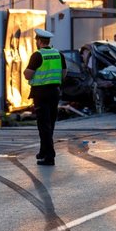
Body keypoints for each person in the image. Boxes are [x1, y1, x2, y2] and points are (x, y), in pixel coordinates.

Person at [24, 28, 66, 166]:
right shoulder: (58, 54)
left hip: (41, 93)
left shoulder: (37, 55)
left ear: (39, 41)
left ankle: (49, 156)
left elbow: (28, 74)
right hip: (54, 92)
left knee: (43, 125)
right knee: (50, 124)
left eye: (36, 40)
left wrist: (26, 72)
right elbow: (64, 73)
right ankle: (43, 151)